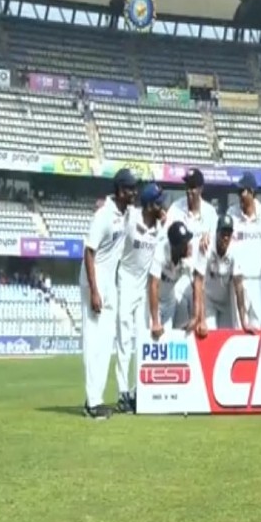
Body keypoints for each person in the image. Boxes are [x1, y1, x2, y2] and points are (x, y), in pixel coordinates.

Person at [80, 168, 137, 420]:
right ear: (120, 190)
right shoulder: (103, 215)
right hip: (94, 279)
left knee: (106, 341)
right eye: (130, 189)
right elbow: (89, 252)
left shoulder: (126, 213)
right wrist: (94, 291)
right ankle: (92, 403)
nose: (134, 192)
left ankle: (96, 398)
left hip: (110, 279)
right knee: (94, 341)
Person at [114, 183, 166, 413]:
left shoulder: (160, 228)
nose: (162, 206)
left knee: (142, 340)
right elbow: (116, 211)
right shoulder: (131, 217)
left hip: (144, 286)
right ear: (148, 205)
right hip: (126, 281)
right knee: (124, 339)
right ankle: (122, 392)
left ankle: (138, 391)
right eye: (158, 203)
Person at [165, 167, 217, 318]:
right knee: (180, 322)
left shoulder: (210, 212)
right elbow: (166, 238)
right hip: (180, 275)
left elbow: (215, 244)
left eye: (193, 187)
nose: (189, 191)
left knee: (200, 322)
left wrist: (209, 238)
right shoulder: (175, 208)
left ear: (201, 189)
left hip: (202, 277)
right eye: (187, 186)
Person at [226, 172, 261, 329]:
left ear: (252, 192)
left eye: (242, 192)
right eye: (238, 192)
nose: (239, 196)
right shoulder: (231, 214)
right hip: (238, 282)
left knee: (259, 329)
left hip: (258, 282)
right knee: (239, 329)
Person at [148, 221, 197, 337]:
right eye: (184, 244)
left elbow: (197, 286)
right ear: (174, 246)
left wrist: (195, 317)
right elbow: (153, 285)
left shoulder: (188, 256)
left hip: (169, 302)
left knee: (167, 338)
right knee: (153, 338)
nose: (188, 246)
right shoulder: (160, 251)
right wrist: (155, 322)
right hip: (152, 302)